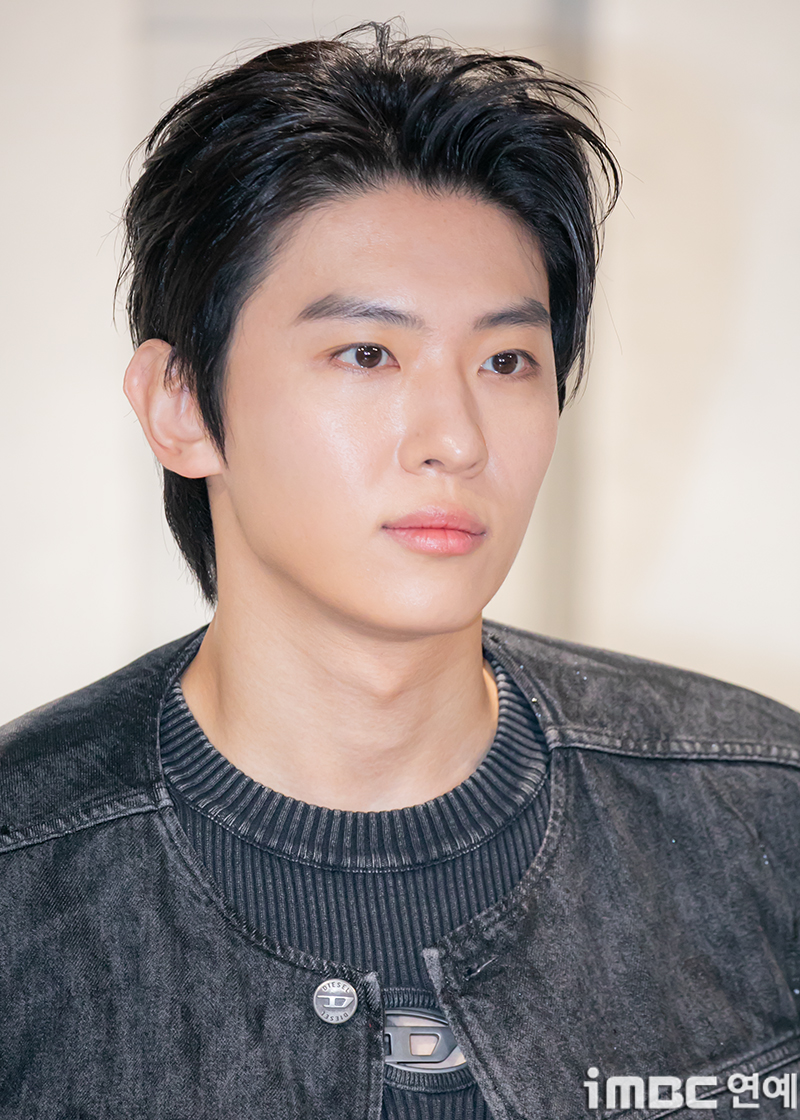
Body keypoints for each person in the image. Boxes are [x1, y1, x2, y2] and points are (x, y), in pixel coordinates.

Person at [1, 22, 798, 1120]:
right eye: (367, 354)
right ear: (181, 406)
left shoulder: (762, 811)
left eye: (506, 360)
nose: (455, 439)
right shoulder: (25, 874)